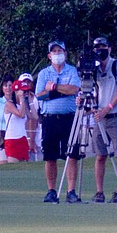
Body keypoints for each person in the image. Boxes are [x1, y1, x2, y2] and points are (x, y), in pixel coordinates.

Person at [35, 39, 81, 202]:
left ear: (65, 54)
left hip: (69, 119)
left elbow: (74, 89)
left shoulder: (72, 71)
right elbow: (39, 95)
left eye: (60, 51)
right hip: (49, 119)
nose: (57, 54)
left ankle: (71, 191)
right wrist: (63, 91)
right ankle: (51, 191)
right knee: (50, 156)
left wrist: (53, 88)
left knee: (72, 155)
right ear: (49, 55)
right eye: (54, 52)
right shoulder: (43, 73)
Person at [90, 35, 117, 202]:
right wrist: (91, 106)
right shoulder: (93, 68)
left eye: (103, 47)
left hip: (116, 116)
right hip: (100, 118)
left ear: (109, 48)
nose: (100, 51)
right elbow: (90, 89)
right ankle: (99, 192)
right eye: (97, 48)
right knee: (100, 155)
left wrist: (107, 108)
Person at [3, 78, 37, 161]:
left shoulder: (23, 104)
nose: (25, 93)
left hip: (23, 138)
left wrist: (30, 101)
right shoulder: (9, 104)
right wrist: (21, 98)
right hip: (12, 140)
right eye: (23, 91)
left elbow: (34, 117)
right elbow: (21, 115)